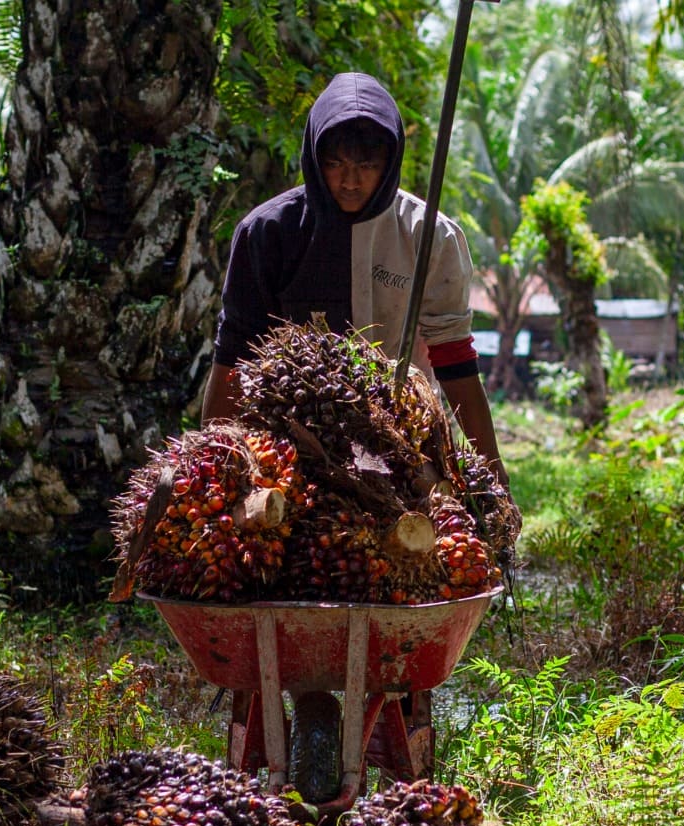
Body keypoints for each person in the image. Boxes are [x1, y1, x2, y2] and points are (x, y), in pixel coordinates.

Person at [204, 72, 508, 785]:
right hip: (287, 449)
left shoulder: (427, 236)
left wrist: (487, 474)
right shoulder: (269, 233)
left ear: (392, 159)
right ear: (313, 153)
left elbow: (457, 363)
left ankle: (406, 738)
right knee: (275, 579)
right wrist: (210, 461)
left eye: (367, 163)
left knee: (408, 575)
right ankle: (275, 726)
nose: (349, 178)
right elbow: (230, 360)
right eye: (336, 161)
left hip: (399, 447)